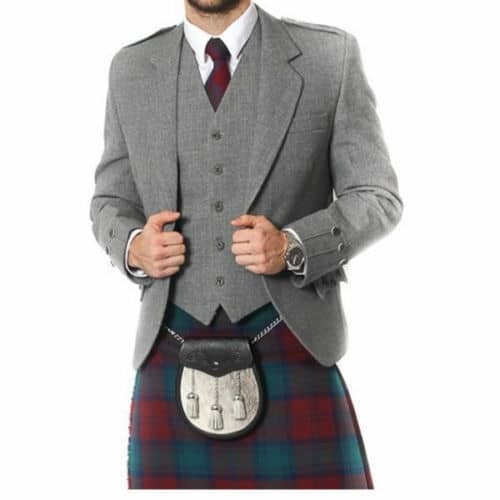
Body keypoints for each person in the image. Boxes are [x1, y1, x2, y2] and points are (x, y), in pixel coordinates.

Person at [90, 0, 403, 489]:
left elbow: (377, 196)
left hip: (293, 342)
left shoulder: (329, 56)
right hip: (169, 344)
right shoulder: (131, 69)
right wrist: (133, 247)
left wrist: (295, 245)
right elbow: (110, 201)